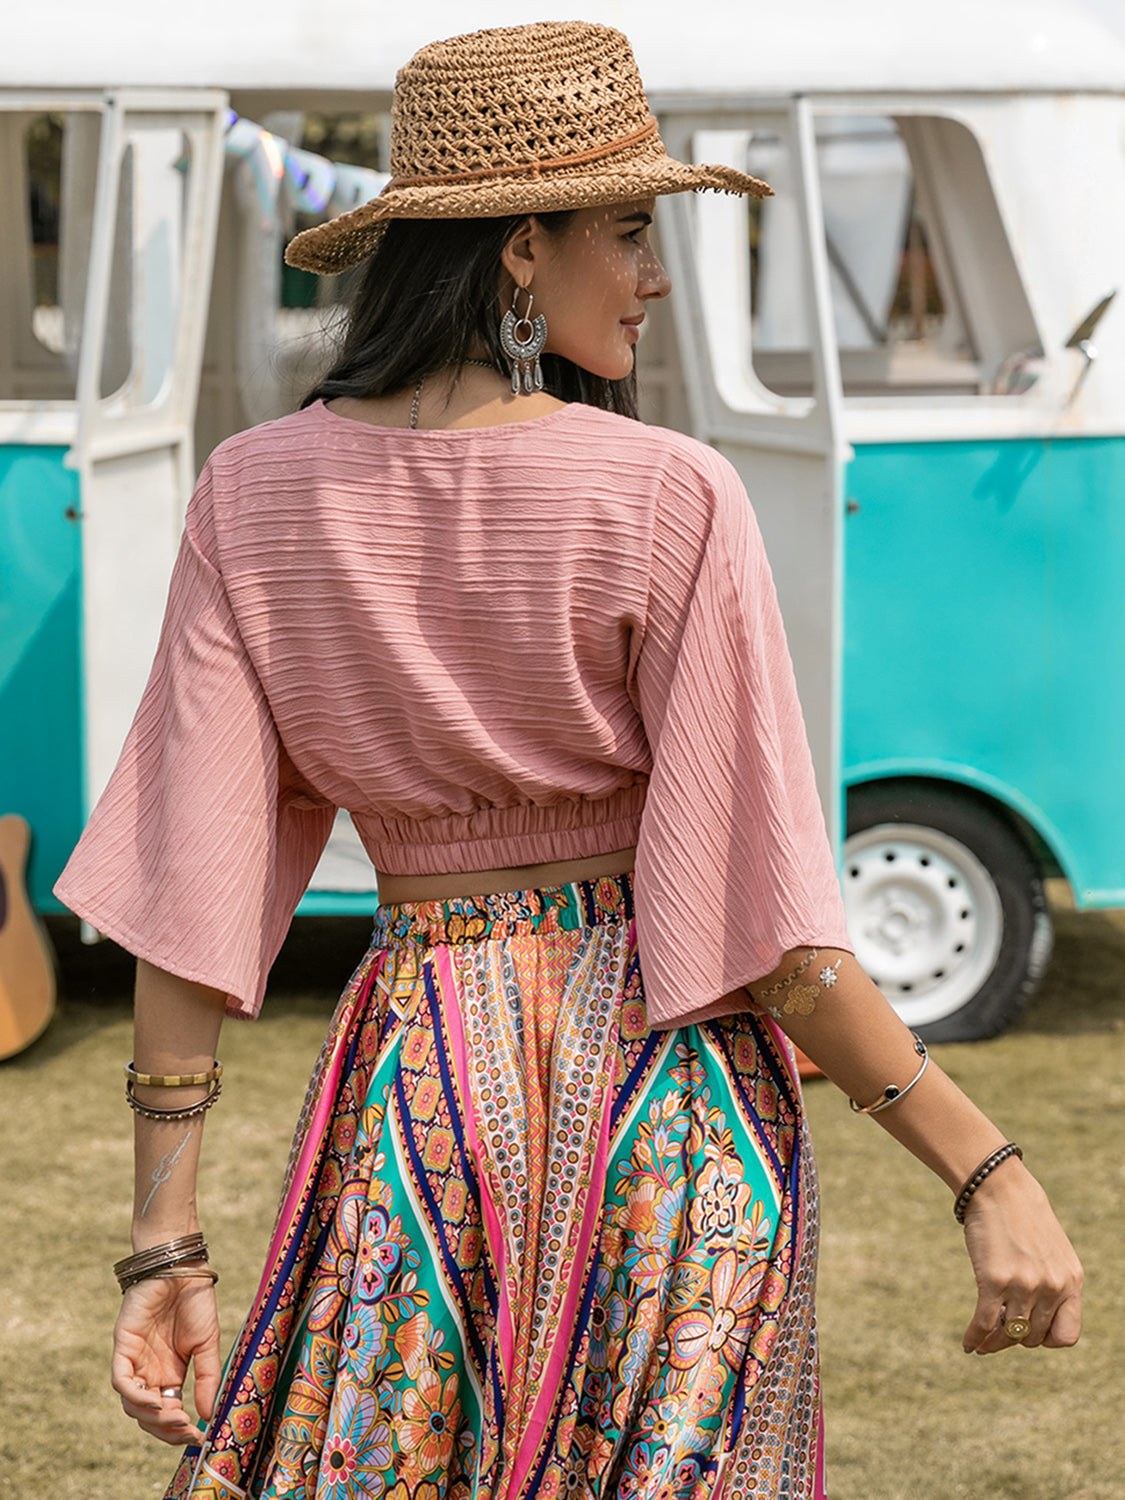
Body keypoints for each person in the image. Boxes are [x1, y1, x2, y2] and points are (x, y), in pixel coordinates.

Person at [55, 21, 1082, 1500]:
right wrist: (987, 1170)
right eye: (630, 232)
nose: (654, 275)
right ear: (520, 250)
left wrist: (165, 1244)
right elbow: (775, 942)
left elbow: (187, 893)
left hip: (413, 1097)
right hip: (659, 1109)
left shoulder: (252, 493)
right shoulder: (664, 494)